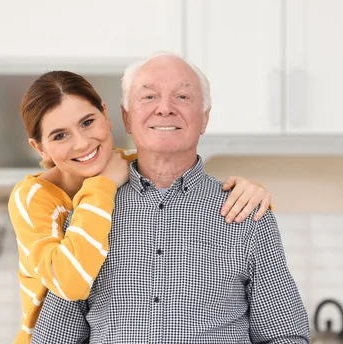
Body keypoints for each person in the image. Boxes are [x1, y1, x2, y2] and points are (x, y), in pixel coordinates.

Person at [31, 53, 310, 343]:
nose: (165, 108)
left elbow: (285, 335)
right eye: (149, 97)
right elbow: (54, 338)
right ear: (126, 118)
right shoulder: (90, 213)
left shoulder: (246, 213)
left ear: (204, 118)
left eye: (182, 97)